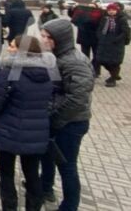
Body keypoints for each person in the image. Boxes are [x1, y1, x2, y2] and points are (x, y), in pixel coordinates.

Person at [0, 35, 55, 211]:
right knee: (32, 175)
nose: (9, 49)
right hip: (36, 133)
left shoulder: (9, 71)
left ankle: (10, 207)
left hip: (7, 131)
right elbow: (53, 102)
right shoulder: (50, 72)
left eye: (12, 46)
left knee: (7, 175)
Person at [40, 19, 94, 209]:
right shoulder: (57, 56)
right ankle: (45, 187)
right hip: (55, 118)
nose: (43, 40)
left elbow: (77, 99)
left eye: (47, 37)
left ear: (60, 39)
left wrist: (55, 120)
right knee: (47, 156)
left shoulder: (75, 62)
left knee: (67, 166)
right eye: (42, 36)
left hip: (70, 123)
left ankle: (70, 205)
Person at [96, 3, 129, 87]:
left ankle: (112, 79)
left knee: (115, 62)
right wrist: (100, 36)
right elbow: (100, 29)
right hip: (105, 42)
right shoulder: (105, 18)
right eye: (109, 10)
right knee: (102, 60)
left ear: (116, 10)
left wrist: (116, 39)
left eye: (113, 10)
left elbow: (125, 32)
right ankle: (115, 75)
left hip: (116, 43)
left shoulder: (121, 19)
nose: (111, 11)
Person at [68, 2, 103, 77]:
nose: (90, 9)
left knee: (96, 56)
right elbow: (72, 15)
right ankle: (86, 70)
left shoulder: (99, 14)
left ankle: (96, 71)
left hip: (95, 38)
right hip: (84, 37)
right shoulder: (82, 13)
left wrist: (102, 10)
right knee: (85, 56)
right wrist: (72, 8)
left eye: (92, 7)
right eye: (89, 7)